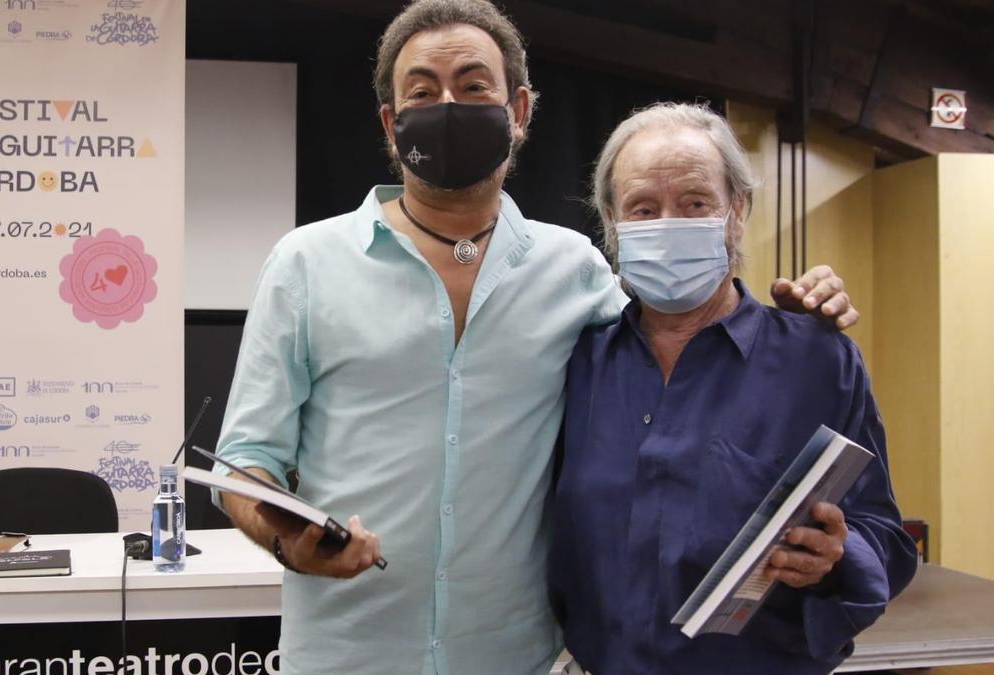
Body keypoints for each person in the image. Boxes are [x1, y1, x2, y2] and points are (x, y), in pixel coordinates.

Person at [214, 2, 857, 673]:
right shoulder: (306, 264)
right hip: (345, 653)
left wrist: (800, 310)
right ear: (390, 122)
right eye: (423, 92)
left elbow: (687, 337)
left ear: (519, 110)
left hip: (514, 657)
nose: (450, 104)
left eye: (474, 85)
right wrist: (290, 538)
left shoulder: (575, 269)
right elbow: (245, 458)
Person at [549, 102, 918, 674]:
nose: (668, 224)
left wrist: (839, 556)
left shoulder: (817, 361)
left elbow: (885, 537)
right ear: (611, 223)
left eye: (695, 203)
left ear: (737, 211)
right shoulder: (578, 363)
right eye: (643, 209)